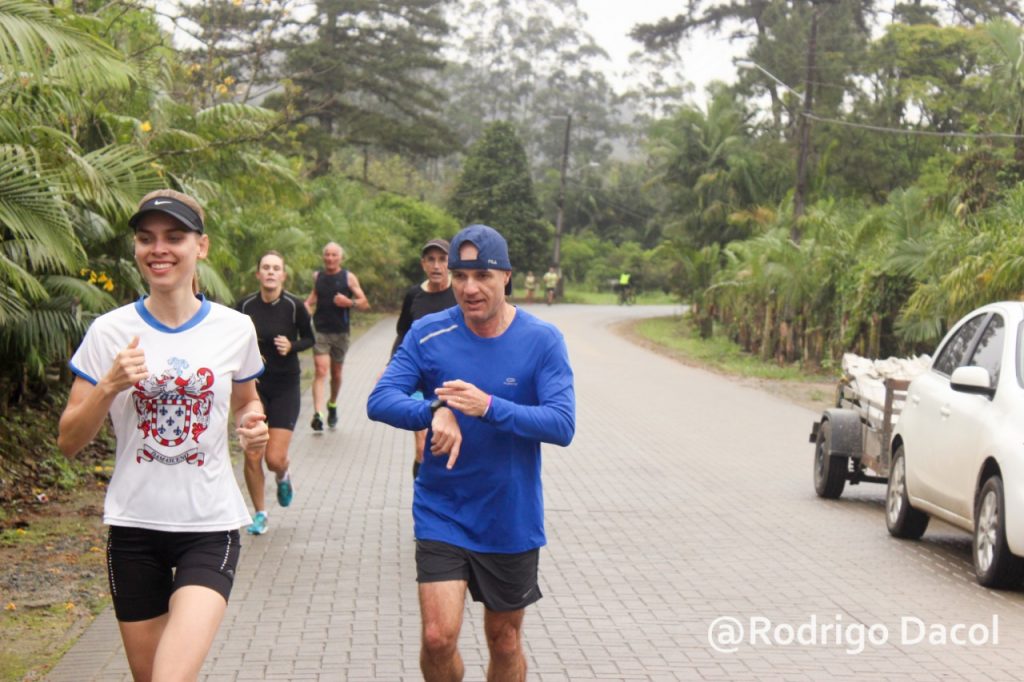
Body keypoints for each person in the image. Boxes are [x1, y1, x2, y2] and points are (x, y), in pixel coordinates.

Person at [57, 190, 269, 682]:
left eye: (175, 237)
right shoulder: (109, 331)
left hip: (208, 526)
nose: (160, 249)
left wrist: (252, 426)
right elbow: (69, 440)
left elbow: (248, 401)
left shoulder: (234, 328)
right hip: (134, 530)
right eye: (147, 238)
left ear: (202, 246)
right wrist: (109, 385)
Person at [368, 223, 576, 682]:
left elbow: (562, 425)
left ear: (506, 277)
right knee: (438, 637)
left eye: (482, 275)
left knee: (505, 642)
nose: (468, 287)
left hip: (510, 516)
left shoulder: (543, 340)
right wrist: (434, 409)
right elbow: (380, 400)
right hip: (444, 508)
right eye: (460, 275)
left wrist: (488, 406)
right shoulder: (427, 333)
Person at [236, 250, 314, 535]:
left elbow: (310, 339)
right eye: (265, 267)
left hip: (285, 387)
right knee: (252, 452)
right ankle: (259, 513)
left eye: (275, 268)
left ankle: (283, 475)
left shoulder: (294, 306)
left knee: (273, 458)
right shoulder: (244, 306)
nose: (270, 272)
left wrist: (291, 346)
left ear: (283, 275)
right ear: (258, 274)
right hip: (252, 388)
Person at [390, 239, 457, 479]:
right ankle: (422, 495)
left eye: (442, 259)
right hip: (420, 378)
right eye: (431, 259)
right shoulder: (414, 295)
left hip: (453, 381)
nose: (437, 265)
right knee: (422, 445)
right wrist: (391, 367)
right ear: (423, 264)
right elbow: (402, 334)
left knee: (448, 442)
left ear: (451, 262)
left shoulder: (459, 292)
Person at [303, 242, 370, 432]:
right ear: (323, 257)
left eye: (334, 255)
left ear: (340, 258)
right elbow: (313, 297)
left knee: (336, 373)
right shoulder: (318, 277)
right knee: (321, 371)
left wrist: (349, 302)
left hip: (341, 332)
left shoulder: (348, 277)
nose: (330, 258)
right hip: (320, 332)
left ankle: (332, 404)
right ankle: (318, 414)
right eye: (327, 255)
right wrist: (306, 306)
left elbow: (365, 303)